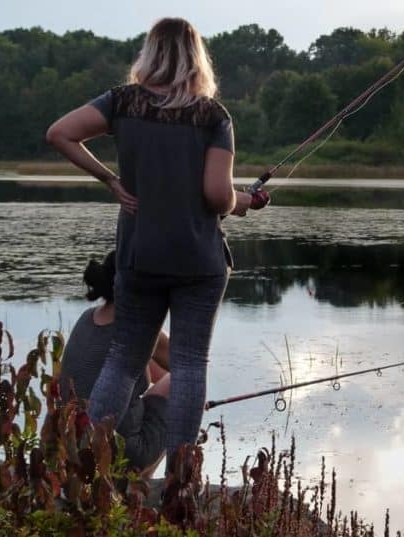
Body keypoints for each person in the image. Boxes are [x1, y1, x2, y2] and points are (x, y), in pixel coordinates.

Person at [46, 17, 270, 470]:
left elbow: (60, 133)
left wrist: (109, 179)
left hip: (138, 256)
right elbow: (216, 196)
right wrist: (241, 201)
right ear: (196, 58)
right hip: (198, 261)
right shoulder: (213, 116)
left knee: (124, 362)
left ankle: (91, 471)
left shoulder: (122, 102)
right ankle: (178, 484)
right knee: (189, 366)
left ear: (149, 54)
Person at [60, 251, 170, 474]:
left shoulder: (87, 317)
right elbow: (187, 365)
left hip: (75, 444)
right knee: (186, 383)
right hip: (121, 451)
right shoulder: (140, 327)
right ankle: (151, 478)